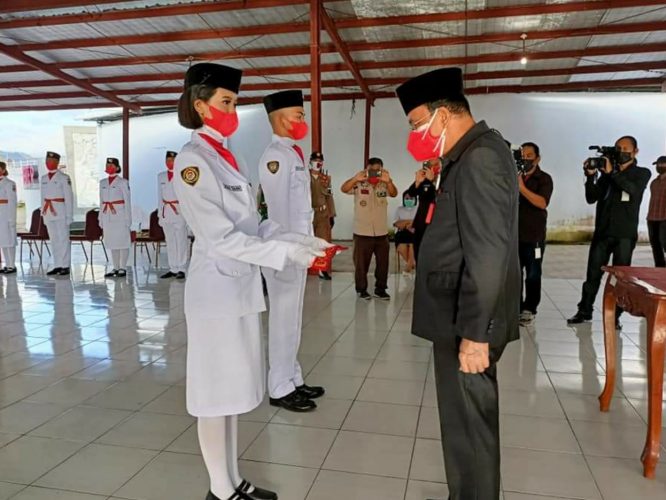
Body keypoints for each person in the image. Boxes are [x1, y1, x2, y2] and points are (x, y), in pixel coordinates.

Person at [172, 62, 325, 500]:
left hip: (238, 288)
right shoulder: (193, 161)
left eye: (235, 103)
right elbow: (221, 237)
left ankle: (233, 479)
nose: (232, 110)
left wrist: (296, 239)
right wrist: (283, 253)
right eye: (226, 102)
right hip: (215, 291)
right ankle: (221, 491)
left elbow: (254, 224)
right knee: (215, 397)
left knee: (234, 396)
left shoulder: (227, 155)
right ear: (200, 106)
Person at [396, 67, 520, 500]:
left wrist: (474, 335)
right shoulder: (467, 155)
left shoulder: (481, 157)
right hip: (457, 317)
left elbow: (487, 252)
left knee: (471, 428)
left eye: (416, 124)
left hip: (467, 323)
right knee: (461, 424)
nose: (414, 135)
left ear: (443, 115)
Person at [258, 89, 328, 413]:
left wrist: (310, 242)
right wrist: (291, 247)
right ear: (281, 118)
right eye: (299, 116)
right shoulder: (274, 157)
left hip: (298, 248)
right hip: (283, 251)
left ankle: (293, 376)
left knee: (294, 317)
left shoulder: (294, 154)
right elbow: (278, 213)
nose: (302, 121)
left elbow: (302, 211)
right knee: (283, 319)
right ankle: (279, 386)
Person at [568, 136, 651, 325]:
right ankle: (584, 310)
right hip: (602, 233)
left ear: (635, 151)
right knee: (592, 275)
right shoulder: (606, 175)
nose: (621, 151)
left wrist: (612, 173)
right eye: (618, 148)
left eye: (625, 148)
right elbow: (591, 197)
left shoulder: (641, 173)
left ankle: (615, 316)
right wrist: (590, 176)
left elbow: (633, 190)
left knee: (620, 279)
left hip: (624, 235)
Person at [340, 157, 398, 300]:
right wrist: (355, 178)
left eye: (377, 171)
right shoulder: (359, 184)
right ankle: (361, 289)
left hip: (381, 232)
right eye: (371, 170)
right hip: (362, 232)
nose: (374, 173)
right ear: (366, 169)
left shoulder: (384, 184)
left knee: (383, 265)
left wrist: (388, 181)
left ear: (382, 170)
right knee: (361, 265)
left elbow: (394, 193)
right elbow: (344, 188)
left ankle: (381, 289)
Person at [517, 142, 554, 326]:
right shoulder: (513, 177)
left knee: (532, 273)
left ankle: (529, 308)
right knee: (514, 274)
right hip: (513, 236)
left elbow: (542, 203)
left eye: (529, 156)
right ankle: (514, 307)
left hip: (534, 237)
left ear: (537, 158)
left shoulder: (544, 179)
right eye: (522, 156)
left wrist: (522, 189)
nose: (525, 159)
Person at [40, 151, 73, 276]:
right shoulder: (43, 178)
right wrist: (43, 214)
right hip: (48, 212)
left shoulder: (64, 178)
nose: (49, 164)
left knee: (63, 239)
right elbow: (42, 197)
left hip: (60, 212)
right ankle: (57, 264)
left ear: (57, 163)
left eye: (51, 161)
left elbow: (69, 198)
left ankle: (65, 265)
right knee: (53, 239)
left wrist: (69, 215)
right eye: (47, 161)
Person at [99, 158, 132, 278]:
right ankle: (115, 267)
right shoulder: (102, 183)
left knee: (122, 242)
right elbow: (101, 201)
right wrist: (100, 218)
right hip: (107, 215)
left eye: (111, 165)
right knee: (112, 242)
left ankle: (123, 267)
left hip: (120, 215)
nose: (109, 167)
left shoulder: (123, 182)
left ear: (117, 167)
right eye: (107, 164)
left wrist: (128, 218)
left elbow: (127, 201)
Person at [158, 150, 188, 279]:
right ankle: (173, 268)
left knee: (180, 240)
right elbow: (159, 196)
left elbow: (187, 196)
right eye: (168, 160)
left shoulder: (183, 175)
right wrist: (160, 214)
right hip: (166, 212)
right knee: (169, 240)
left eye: (172, 161)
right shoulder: (161, 176)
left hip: (179, 210)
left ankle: (182, 268)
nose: (170, 163)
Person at [406, 158, 440, 262]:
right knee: (419, 254)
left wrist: (430, 182)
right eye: (430, 164)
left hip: (437, 222)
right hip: (422, 222)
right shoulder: (424, 178)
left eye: (436, 164)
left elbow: (435, 197)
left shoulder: (444, 177)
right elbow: (411, 194)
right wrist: (417, 182)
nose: (433, 166)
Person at [309, 151, 336, 280]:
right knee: (307, 242)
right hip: (308, 214)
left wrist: (332, 214)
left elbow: (329, 196)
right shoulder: (303, 177)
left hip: (323, 214)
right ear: (310, 162)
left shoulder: (326, 178)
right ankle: (306, 268)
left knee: (323, 242)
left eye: (320, 161)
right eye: (315, 160)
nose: (317, 163)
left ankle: (322, 270)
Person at [647, 155, 666, 267]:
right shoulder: (654, 182)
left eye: (662, 164)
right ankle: (660, 269)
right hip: (652, 218)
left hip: (664, 218)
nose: (659, 166)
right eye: (658, 164)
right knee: (655, 246)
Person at [393, 191, 417, 274]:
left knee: (412, 243)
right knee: (401, 245)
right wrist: (409, 223)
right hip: (402, 233)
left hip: (415, 232)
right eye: (407, 198)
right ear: (403, 199)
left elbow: (419, 223)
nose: (409, 200)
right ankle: (412, 264)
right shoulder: (399, 209)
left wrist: (404, 222)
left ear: (415, 199)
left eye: (411, 198)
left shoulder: (418, 209)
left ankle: (408, 267)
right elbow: (396, 223)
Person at [0, 161, 17, 274]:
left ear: (3, 169)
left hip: (6, 213)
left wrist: (12, 217)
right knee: (2, 240)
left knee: (9, 239)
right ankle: (7, 264)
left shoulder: (9, 183)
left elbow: (12, 201)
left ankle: (12, 264)